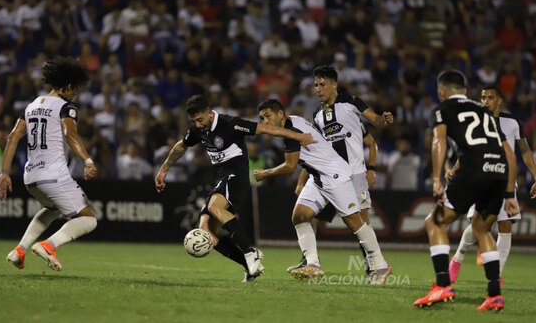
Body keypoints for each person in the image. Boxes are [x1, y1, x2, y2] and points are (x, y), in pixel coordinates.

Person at [154, 95, 315, 282]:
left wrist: (299, 136)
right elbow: (181, 146)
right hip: (222, 177)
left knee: (215, 207)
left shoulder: (230, 124)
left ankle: (250, 251)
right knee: (206, 230)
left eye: (200, 120)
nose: (197, 125)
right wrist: (163, 169)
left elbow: (266, 129)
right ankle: (248, 265)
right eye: (193, 121)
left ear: (210, 113)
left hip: (236, 177)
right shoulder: (198, 130)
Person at [413, 71, 519, 311]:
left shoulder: (442, 110)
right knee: (482, 229)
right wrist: (510, 195)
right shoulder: (486, 112)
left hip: (473, 169)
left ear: (441, 92)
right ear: (465, 90)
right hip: (499, 172)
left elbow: (438, 140)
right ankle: (495, 295)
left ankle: (442, 284)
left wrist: (437, 178)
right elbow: (510, 155)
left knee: (435, 222)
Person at [253, 99, 386, 283]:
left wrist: (264, 173)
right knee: (300, 215)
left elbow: (291, 166)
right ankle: (312, 264)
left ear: (280, 114)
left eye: (268, 116)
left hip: (335, 176)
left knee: (355, 222)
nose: (265, 122)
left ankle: (380, 265)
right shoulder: (294, 121)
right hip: (319, 177)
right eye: (262, 118)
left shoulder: (291, 132)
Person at [286, 65, 393, 284]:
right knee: (306, 215)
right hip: (327, 175)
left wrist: (384, 120)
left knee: (359, 221)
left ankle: (376, 266)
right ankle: (310, 260)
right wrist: (301, 180)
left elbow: (375, 121)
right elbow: (315, 151)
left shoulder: (351, 103)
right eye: (316, 85)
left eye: (322, 84)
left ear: (334, 84)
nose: (318, 89)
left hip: (354, 174)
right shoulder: (316, 115)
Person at [0, 57, 98, 272]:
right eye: (76, 90)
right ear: (68, 86)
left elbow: (12, 138)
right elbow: (70, 134)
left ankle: (20, 251)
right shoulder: (66, 107)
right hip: (54, 175)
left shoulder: (32, 105)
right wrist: (87, 161)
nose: (76, 94)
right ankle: (48, 246)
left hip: (31, 177)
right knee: (89, 220)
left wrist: (4, 173)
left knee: (52, 210)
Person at [448, 85, 536, 283]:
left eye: (490, 98)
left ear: (499, 100)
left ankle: (496, 275)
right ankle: (457, 258)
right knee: (478, 225)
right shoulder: (474, 120)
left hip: (504, 180)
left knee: (505, 225)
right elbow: (468, 149)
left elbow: (524, 150)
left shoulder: (512, 122)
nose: (485, 101)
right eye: (483, 97)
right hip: (479, 178)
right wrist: (455, 169)